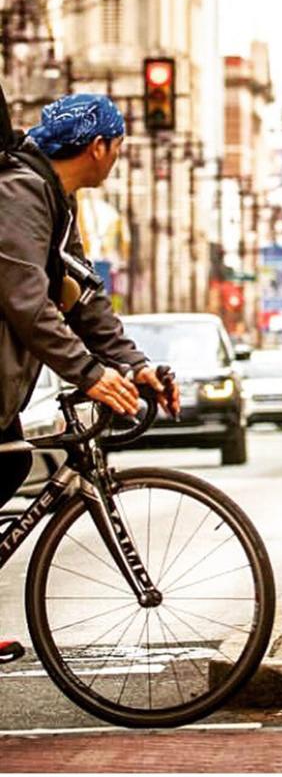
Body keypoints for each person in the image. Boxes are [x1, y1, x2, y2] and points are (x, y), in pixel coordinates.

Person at [0, 90, 181, 661]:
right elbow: (27, 301)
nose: (119, 156)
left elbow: (81, 299)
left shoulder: (56, 199)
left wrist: (135, 365)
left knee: (11, 465)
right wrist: (89, 373)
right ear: (100, 146)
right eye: (120, 146)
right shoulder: (19, 195)